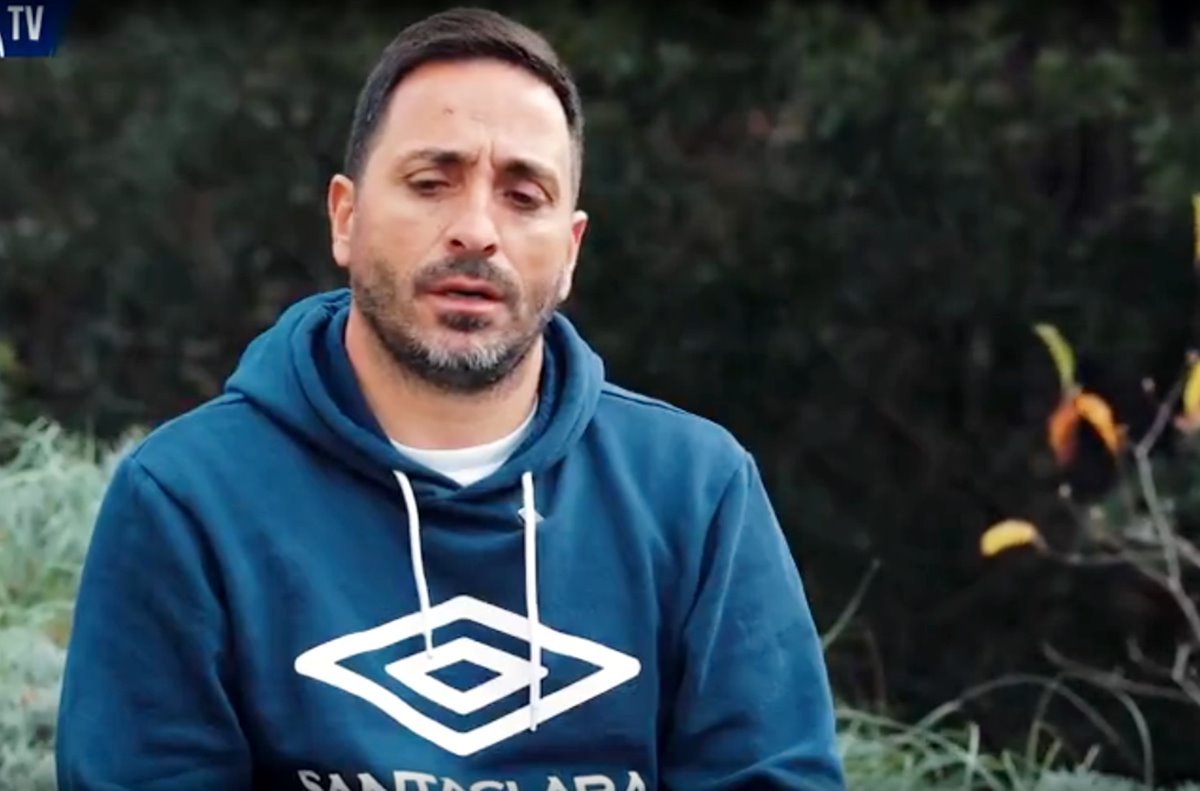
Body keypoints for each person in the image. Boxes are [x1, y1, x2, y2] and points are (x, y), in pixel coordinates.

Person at [55, 7, 846, 790]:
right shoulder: (188, 497)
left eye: (523, 195)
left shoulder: (695, 492)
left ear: (570, 251)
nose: (476, 230)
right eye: (432, 183)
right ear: (345, 217)